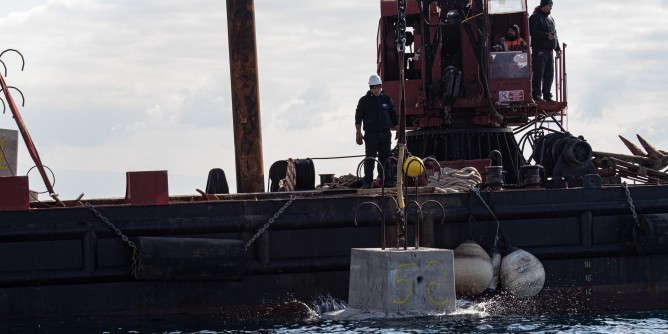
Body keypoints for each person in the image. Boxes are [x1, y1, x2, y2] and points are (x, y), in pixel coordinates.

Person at [355, 74, 399, 188]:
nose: (376, 90)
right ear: (370, 88)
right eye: (374, 88)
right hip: (371, 135)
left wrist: (398, 130)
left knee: (386, 159)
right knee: (370, 159)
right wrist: (358, 132)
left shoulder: (387, 100)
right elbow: (358, 118)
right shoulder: (364, 101)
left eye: (378, 87)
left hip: (385, 134)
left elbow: (394, 117)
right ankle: (367, 182)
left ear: (381, 87)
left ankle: (387, 180)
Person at [529, 0, 561, 102]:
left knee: (549, 74)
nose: (551, 7)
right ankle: (536, 95)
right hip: (539, 49)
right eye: (549, 5)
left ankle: (547, 95)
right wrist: (546, 36)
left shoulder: (550, 18)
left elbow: (554, 34)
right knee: (539, 72)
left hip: (549, 50)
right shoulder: (534, 17)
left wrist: (557, 48)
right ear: (543, 5)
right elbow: (532, 32)